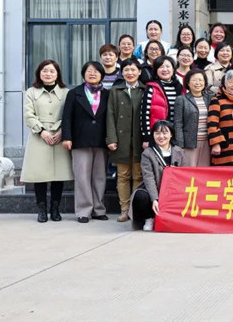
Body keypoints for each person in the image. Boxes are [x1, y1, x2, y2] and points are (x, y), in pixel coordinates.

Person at [21, 60, 71, 223]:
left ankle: (55, 208)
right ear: (39, 73)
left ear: (57, 74)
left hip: (59, 136)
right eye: (45, 71)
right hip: (39, 137)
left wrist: (62, 131)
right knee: (39, 175)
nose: (48, 74)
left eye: (52, 71)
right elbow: (28, 114)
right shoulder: (31, 92)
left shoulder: (66, 92)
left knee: (58, 175)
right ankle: (41, 209)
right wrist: (41, 131)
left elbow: (69, 114)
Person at [61, 61, 110, 223]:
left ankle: (98, 209)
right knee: (82, 176)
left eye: (96, 71)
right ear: (83, 74)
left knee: (99, 177)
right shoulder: (74, 93)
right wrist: (67, 137)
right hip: (80, 140)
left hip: (101, 140)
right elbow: (67, 117)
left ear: (102, 75)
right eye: (89, 71)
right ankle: (83, 210)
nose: (92, 74)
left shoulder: (107, 94)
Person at [105, 58, 146, 222]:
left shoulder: (145, 90)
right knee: (122, 175)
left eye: (133, 70)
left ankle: (133, 210)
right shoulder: (116, 91)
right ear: (122, 73)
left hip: (139, 140)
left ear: (139, 72)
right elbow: (110, 115)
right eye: (126, 70)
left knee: (138, 175)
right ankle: (124, 209)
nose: (130, 73)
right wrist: (111, 138)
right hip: (121, 140)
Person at [130, 120, 184, 231]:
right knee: (140, 196)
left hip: (172, 191)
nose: (161, 136)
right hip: (154, 189)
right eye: (157, 133)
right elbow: (148, 178)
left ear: (171, 134)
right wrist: (154, 199)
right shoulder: (147, 153)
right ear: (153, 135)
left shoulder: (179, 152)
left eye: (165, 133)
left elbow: (183, 175)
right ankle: (149, 217)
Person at [173, 68, 214, 168]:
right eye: (194, 80)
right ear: (188, 82)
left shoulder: (210, 98)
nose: (198, 83)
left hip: (207, 143)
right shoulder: (181, 99)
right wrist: (180, 145)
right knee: (189, 171)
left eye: (200, 80)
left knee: (204, 172)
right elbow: (178, 124)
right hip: (189, 143)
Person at [207, 70, 233, 166]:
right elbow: (212, 124)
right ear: (225, 83)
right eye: (230, 82)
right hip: (225, 147)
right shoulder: (217, 100)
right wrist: (216, 144)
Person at [139, 56, 182, 148]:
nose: (165, 69)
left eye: (168, 66)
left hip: (175, 134)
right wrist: (146, 138)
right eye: (161, 67)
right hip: (157, 134)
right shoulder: (151, 88)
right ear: (156, 70)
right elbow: (144, 114)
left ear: (173, 69)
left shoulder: (179, 87)